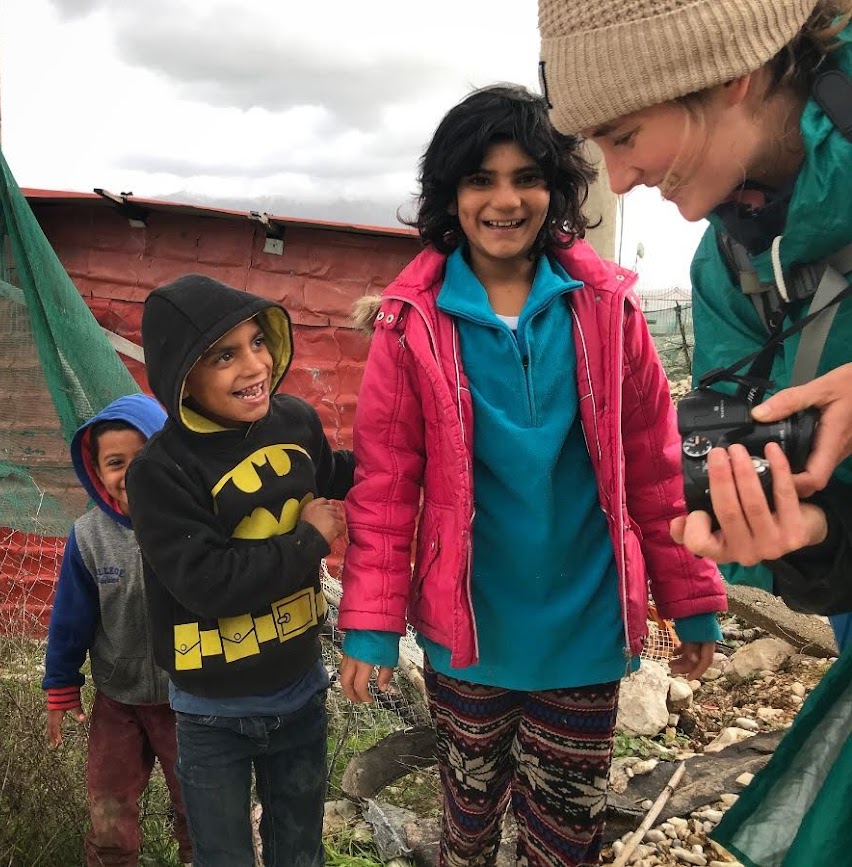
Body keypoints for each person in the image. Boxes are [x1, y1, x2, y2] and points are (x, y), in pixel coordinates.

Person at [337, 84, 727, 867]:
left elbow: (654, 470)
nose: (504, 199)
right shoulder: (412, 323)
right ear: (451, 194)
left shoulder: (607, 311)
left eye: (526, 177)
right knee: (469, 823)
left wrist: (691, 600)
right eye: (481, 179)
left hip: (584, 632)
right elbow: (385, 487)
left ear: (557, 188)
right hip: (469, 638)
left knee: (565, 834)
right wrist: (373, 625)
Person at [538, 0, 852, 640]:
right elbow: (794, 483)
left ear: (730, 74)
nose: (619, 178)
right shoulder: (732, 266)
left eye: (623, 136)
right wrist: (814, 536)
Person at [124, 274, 355, 867]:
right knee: (223, 855)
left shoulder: (296, 422)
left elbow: (334, 478)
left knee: (300, 850)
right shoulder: (162, 471)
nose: (254, 365)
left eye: (258, 342)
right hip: (213, 710)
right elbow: (206, 583)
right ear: (182, 375)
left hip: (301, 689)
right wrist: (309, 541)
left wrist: (409, 451)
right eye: (225, 355)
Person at [41, 393, 193, 867]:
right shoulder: (89, 537)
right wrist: (62, 683)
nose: (130, 473)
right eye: (115, 462)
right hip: (117, 702)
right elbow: (70, 619)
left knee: (201, 807)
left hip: (189, 700)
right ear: (96, 471)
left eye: (144, 457)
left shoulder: (195, 524)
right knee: (109, 810)